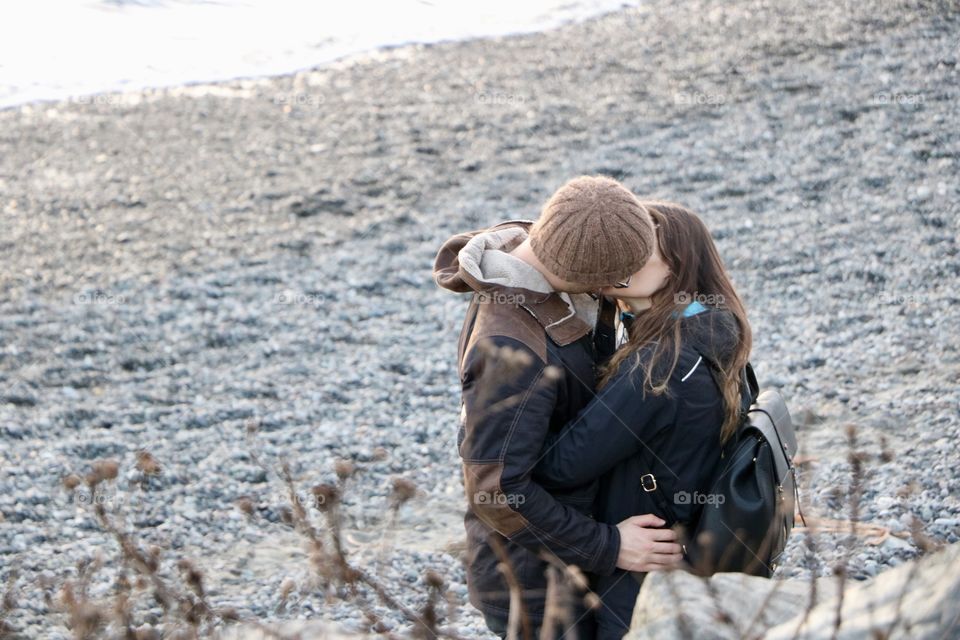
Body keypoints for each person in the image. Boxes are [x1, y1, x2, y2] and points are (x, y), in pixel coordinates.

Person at [433, 177, 684, 639]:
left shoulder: (553, 255)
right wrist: (609, 547)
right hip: (530, 584)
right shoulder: (510, 351)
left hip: (563, 553)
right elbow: (497, 490)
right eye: (620, 283)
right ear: (591, 278)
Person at [534, 201, 753, 639]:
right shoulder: (718, 332)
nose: (622, 255)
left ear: (678, 263)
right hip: (683, 559)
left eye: (640, 245)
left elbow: (560, 466)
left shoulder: (660, 365)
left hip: (637, 576)